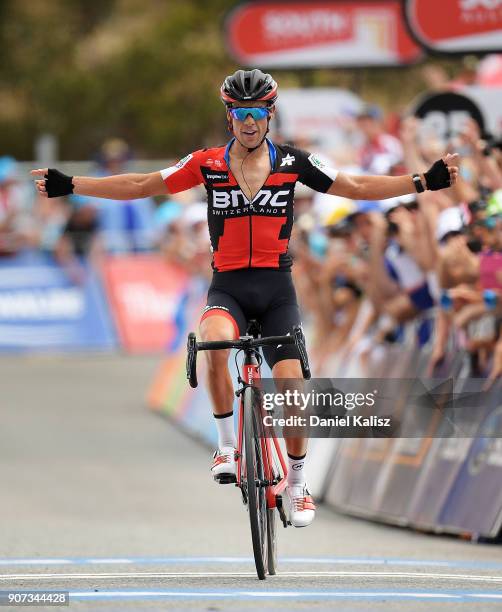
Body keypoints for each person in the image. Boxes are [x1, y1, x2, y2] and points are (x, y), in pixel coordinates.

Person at [32, 68, 459, 528]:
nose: (248, 122)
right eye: (239, 114)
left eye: (256, 113)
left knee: (293, 386)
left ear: (270, 115)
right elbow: (141, 185)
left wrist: (421, 182)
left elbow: (355, 187)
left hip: (277, 290)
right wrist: (71, 185)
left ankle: (296, 483)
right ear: (229, 116)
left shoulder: (295, 163)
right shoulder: (206, 163)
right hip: (229, 286)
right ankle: (226, 446)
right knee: (213, 341)